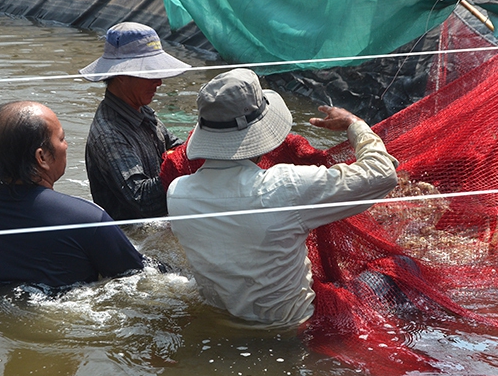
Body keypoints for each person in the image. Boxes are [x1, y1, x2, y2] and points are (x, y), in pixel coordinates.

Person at [166, 68, 399, 328]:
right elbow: (382, 174)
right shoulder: (283, 186)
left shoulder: (178, 192)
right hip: (295, 327)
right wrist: (354, 124)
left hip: (225, 322)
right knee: (401, 267)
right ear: (258, 133)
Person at [0, 101, 145, 288]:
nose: (66, 145)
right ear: (41, 157)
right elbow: (140, 277)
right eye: (61, 138)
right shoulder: (87, 218)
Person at [80, 22, 190, 220]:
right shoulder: (110, 134)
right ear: (122, 75)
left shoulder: (141, 110)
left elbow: (175, 145)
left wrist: (203, 147)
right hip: (133, 239)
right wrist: (186, 164)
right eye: (151, 74)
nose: (159, 82)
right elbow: (142, 200)